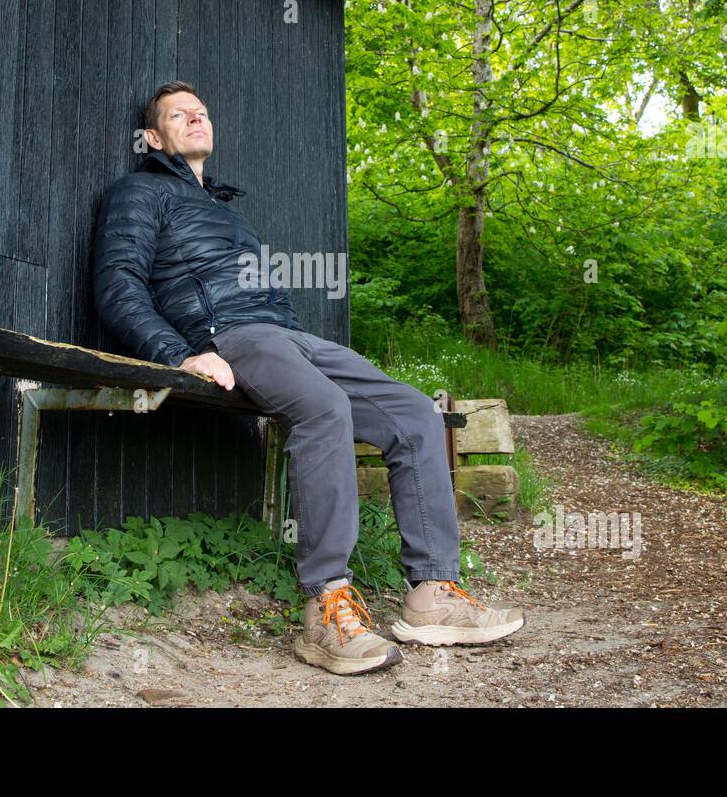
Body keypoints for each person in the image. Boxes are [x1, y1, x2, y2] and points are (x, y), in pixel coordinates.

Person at [92, 80, 525, 675]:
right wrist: (179, 353)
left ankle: (432, 594)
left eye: (202, 110)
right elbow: (117, 286)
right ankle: (327, 604)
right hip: (229, 338)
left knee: (416, 414)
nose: (195, 117)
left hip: (285, 336)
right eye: (177, 113)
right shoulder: (139, 193)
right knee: (325, 408)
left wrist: (295, 337)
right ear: (151, 136)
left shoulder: (225, 211)